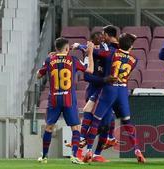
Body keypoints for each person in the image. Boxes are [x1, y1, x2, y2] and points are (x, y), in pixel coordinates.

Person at [84, 33, 146, 163]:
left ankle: (89, 151)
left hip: (109, 88)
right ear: (131, 46)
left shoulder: (111, 53)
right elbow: (127, 49)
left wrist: (83, 47)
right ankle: (137, 151)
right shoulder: (134, 59)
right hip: (122, 91)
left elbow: (93, 51)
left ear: (118, 43)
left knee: (96, 121)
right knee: (127, 122)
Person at [36, 37, 94, 164]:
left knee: (49, 127)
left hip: (54, 99)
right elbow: (90, 70)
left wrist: (47, 61)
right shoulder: (73, 60)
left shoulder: (49, 59)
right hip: (69, 99)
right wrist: (89, 54)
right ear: (67, 48)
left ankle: (44, 156)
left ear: (56, 48)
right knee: (76, 128)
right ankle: (74, 155)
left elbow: (38, 75)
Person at [71, 31, 118, 162]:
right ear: (91, 42)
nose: (101, 39)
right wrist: (104, 80)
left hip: (106, 91)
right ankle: (80, 150)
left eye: (102, 37)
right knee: (89, 120)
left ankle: (96, 154)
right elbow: (87, 77)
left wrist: (81, 46)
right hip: (93, 91)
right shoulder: (88, 57)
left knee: (106, 125)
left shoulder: (105, 52)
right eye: (97, 38)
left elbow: (109, 52)